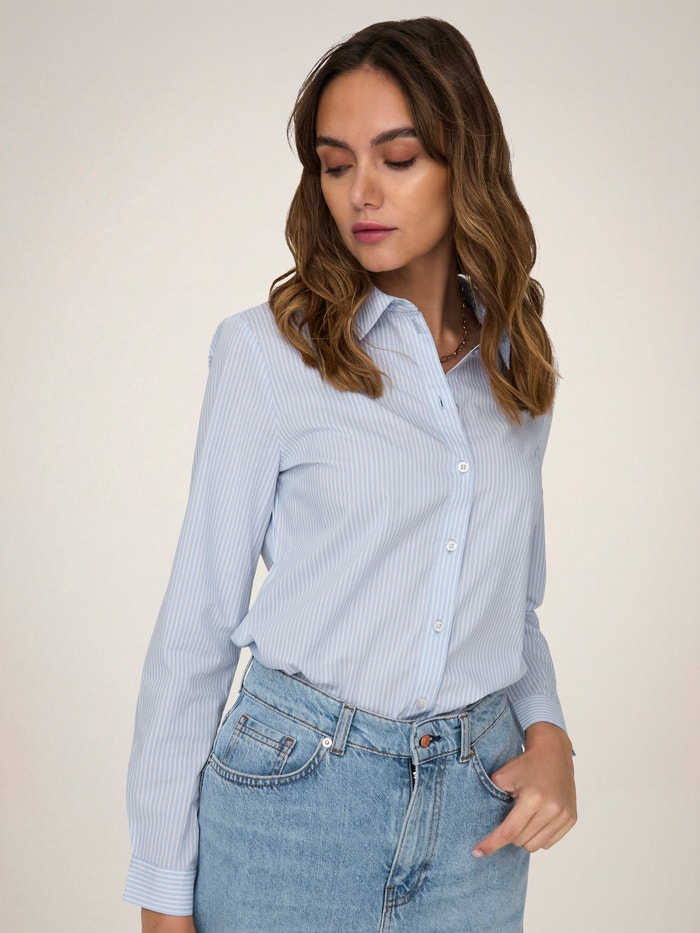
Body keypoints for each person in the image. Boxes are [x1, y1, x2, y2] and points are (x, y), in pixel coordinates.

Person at [124, 16, 576, 933]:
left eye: (397, 158)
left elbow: (511, 606)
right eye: (336, 166)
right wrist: (163, 891)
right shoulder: (267, 354)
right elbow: (197, 626)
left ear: (464, 163)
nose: (361, 193)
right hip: (295, 799)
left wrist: (551, 733)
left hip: (477, 817)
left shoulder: (517, 363)